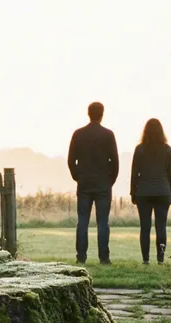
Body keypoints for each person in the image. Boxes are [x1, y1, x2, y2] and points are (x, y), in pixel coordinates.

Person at [68, 102, 119, 265]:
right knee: (103, 221)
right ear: (102, 114)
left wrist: (77, 176)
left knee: (82, 220)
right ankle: (104, 257)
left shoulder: (78, 134)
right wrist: (110, 180)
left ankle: (81, 256)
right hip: (103, 183)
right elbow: (115, 162)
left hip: (84, 183)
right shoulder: (108, 134)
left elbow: (71, 160)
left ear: (88, 113)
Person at [129, 118, 171, 264]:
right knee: (161, 226)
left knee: (145, 227)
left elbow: (134, 173)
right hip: (163, 191)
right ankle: (160, 259)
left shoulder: (140, 149)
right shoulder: (167, 149)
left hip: (143, 192)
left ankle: (146, 259)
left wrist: (133, 192)